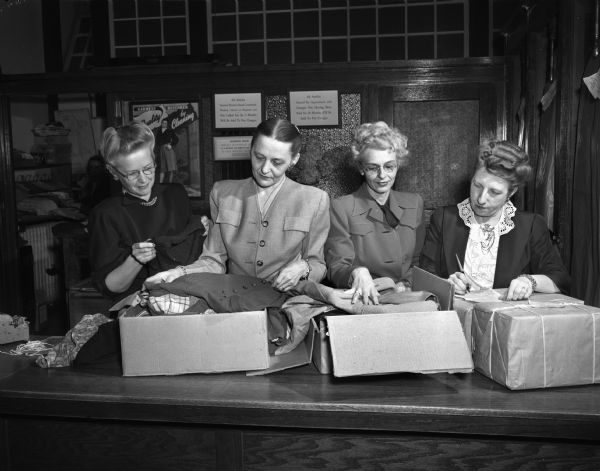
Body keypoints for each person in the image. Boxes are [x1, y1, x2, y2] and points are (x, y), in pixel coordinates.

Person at [146, 118, 330, 292]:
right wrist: (178, 273)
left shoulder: (315, 200)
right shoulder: (222, 194)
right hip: (235, 299)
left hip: (287, 300)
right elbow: (213, 261)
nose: (265, 169)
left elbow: (318, 265)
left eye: (277, 162)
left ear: (294, 160)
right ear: (250, 150)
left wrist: (303, 267)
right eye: (259, 157)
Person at [420, 140, 570, 301]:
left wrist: (529, 281)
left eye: (494, 192)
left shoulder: (531, 225)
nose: (481, 199)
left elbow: (560, 279)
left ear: (511, 192)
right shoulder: (444, 218)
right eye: (477, 185)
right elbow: (424, 278)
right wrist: (447, 284)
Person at [88, 122, 192, 301]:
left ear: (154, 160)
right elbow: (110, 287)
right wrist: (135, 260)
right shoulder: (106, 214)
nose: (143, 179)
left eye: (148, 168)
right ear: (113, 172)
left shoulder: (176, 194)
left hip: (187, 296)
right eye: (132, 174)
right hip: (140, 307)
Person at [325, 121, 424, 305]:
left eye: (389, 166)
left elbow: (419, 261)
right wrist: (357, 272)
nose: (382, 176)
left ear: (398, 165)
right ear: (361, 168)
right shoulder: (341, 207)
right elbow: (336, 266)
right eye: (373, 168)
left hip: (407, 297)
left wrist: (405, 284)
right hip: (365, 300)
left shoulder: (414, 203)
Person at [155, 118, 179, 183]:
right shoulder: (159, 132)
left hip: (168, 150)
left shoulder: (170, 131)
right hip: (161, 150)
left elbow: (176, 139)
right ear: (161, 123)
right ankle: (161, 183)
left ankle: (170, 183)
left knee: (170, 168)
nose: (164, 124)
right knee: (162, 168)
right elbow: (157, 142)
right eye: (163, 123)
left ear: (167, 124)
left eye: (165, 123)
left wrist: (171, 145)